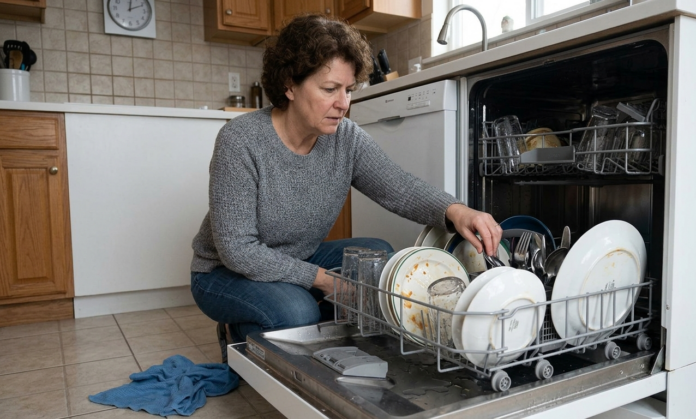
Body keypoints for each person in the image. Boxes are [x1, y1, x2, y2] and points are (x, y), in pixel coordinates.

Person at [189, 14, 502, 363]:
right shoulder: (241, 140)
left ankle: (309, 316)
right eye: (329, 89)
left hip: (296, 258)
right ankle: (237, 330)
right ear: (290, 85)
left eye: (349, 90)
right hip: (223, 273)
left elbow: (398, 187)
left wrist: (456, 211)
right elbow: (238, 251)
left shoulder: (346, 139)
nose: (343, 104)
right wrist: (323, 281)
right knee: (297, 315)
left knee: (378, 259)